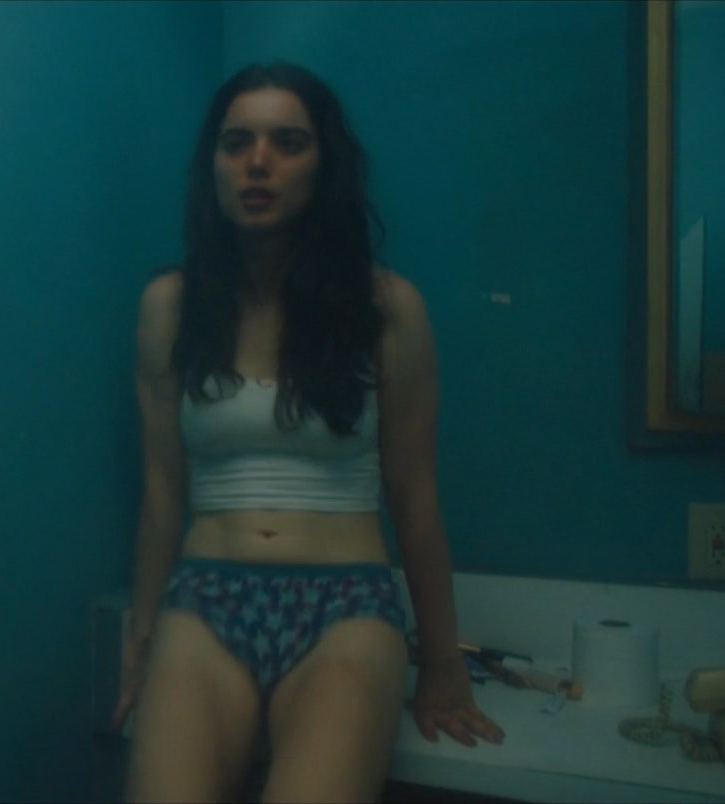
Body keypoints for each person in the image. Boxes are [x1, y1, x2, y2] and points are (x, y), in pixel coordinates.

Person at [114, 61, 504, 802]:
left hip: (345, 606)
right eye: (237, 143)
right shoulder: (170, 306)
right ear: (213, 166)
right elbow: (162, 491)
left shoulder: (386, 309)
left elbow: (415, 496)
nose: (258, 162)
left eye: (287, 143)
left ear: (325, 167)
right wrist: (140, 642)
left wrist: (443, 664)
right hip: (206, 600)